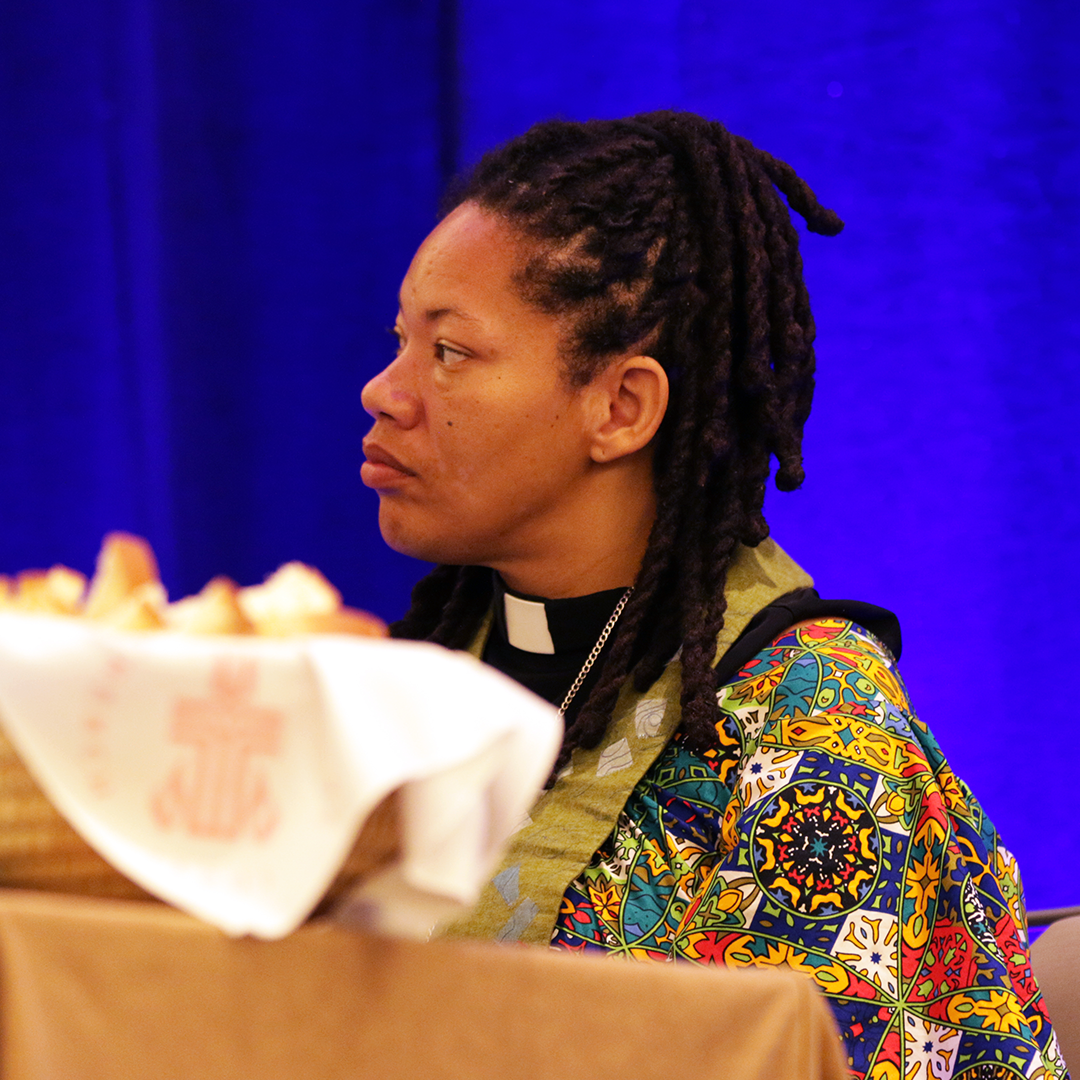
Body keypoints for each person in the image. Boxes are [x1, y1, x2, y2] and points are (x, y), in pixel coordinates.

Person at [360, 111, 1065, 1079]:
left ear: (621, 408)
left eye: (449, 353)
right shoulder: (405, 687)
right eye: (399, 342)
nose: (384, 392)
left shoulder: (816, 738)